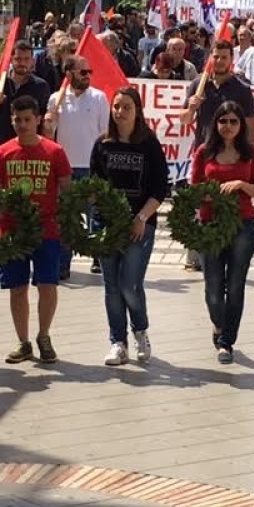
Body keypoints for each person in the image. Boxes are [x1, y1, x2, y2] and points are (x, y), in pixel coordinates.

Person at [0, 95, 72, 364]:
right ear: (11, 120)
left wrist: (69, 215)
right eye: (17, 120)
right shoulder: (1, 153)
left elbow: (67, 188)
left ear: (38, 119)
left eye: (28, 120)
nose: (23, 125)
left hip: (46, 229)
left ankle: (44, 336)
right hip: (12, 231)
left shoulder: (55, 152)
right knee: (17, 287)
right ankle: (23, 342)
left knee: (47, 284)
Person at [90, 87, 168, 366]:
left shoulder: (149, 144)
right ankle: (117, 342)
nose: (120, 112)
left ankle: (141, 332)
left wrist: (141, 219)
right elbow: (95, 185)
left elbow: (161, 188)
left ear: (138, 111)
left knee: (129, 285)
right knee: (111, 286)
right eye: (117, 106)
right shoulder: (102, 144)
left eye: (126, 107)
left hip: (140, 224)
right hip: (108, 226)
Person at [191, 101, 254, 364]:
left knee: (235, 285)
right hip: (210, 225)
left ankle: (226, 341)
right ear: (216, 123)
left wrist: (242, 185)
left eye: (234, 121)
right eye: (223, 121)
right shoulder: (204, 152)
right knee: (213, 286)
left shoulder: (251, 153)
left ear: (241, 125)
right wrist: (209, 196)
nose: (228, 126)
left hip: (242, 225)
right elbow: (194, 187)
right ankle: (218, 323)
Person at [180, 39, 254, 272]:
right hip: (205, 154)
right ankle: (197, 254)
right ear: (209, 59)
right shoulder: (198, 85)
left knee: (229, 203)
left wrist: (248, 158)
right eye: (216, 56)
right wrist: (192, 107)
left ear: (231, 60)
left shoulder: (242, 90)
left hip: (233, 155)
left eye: (224, 57)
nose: (220, 61)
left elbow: (250, 127)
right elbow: (184, 119)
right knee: (201, 203)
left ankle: (229, 249)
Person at [44, 55, 110, 279]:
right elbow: (48, 135)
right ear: (69, 74)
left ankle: (98, 258)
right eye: (83, 72)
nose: (88, 76)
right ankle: (63, 264)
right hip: (65, 169)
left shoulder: (99, 98)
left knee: (96, 216)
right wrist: (49, 121)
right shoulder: (56, 99)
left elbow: (106, 134)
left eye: (89, 71)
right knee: (66, 218)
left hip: (92, 167)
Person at [0, 40, 50, 148]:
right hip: (4, 147)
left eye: (26, 59)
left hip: (31, 148)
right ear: (11, 60)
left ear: (32, 61)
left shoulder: (40, 86)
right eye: (18, 59)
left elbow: (45, 121)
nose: (22, 63)